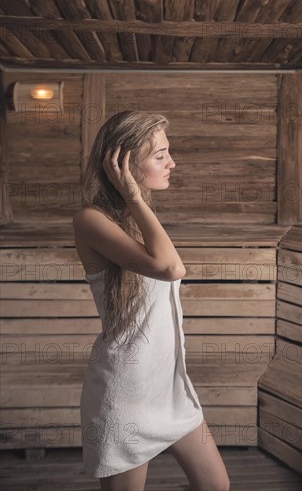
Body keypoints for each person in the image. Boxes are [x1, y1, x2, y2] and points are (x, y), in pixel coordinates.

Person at [73, 111, 230, 491]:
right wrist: (133, 194)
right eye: (160, 155)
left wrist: (135, 201)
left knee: (216, 486)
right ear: (123, 163)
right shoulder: (91, 220)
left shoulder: (136, 217)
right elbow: (171, 267)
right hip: (126, 397)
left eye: (168, 152)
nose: (172, 163)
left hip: (171, 391)